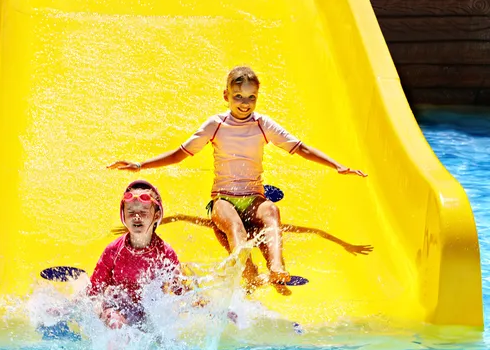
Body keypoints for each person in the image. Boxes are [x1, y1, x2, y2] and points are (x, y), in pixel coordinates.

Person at [108, 66, 367, 286]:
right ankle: (247, 269)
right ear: (226, 96)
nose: (245, 104)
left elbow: (301, 148)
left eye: (251, 97)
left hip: (253, 197)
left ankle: (276, 265)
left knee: (271, 213)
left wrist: (336, 165)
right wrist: (141, 165)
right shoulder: (216, 125)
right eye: (238, 97)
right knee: (234, 225)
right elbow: (180, 154)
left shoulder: (263, 124)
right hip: (223, 199)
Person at [85, 180, 187, 329]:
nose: (136, 217)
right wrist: (99, 311)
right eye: (131, 212)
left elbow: (181, 291)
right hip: (117, 306)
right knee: (115, 321)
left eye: (143, 212)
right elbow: (95, 290)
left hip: (147, 313)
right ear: (123, 216)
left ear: (157, 215)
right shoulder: (113, 250)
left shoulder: (165, 253)